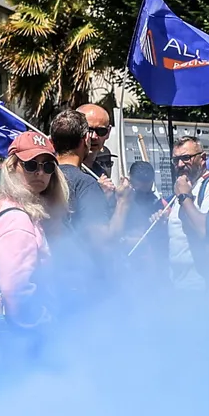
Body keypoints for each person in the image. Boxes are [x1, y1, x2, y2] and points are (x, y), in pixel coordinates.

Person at [0, 130, 68, 330]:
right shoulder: (17, 219)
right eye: (30, 165)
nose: (40, 172)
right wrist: (44, 322)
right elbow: (16, 291)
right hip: (27, 334)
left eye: (48, 166)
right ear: (12, 167)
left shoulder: (15, 209)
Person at [51, 109, 131, 296]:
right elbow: (104, 241)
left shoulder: (43, 177)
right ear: (85, 139)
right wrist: (123, 203)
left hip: (53, 282)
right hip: (84, 288)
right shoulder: (85, 183)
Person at [166, 136, 209, 291]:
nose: (180, 164)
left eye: (186, 158)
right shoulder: (185, 185)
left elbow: (206, 231)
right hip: (178, 283)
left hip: (199, 285)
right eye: (175, 160)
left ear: (202, 158)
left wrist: (184, 197)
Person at [77, 104, 115, 180]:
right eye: (88, 130)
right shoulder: (60, 169)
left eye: (101, 131)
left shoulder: (101, 173)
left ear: (108, 132)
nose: (94, 136)